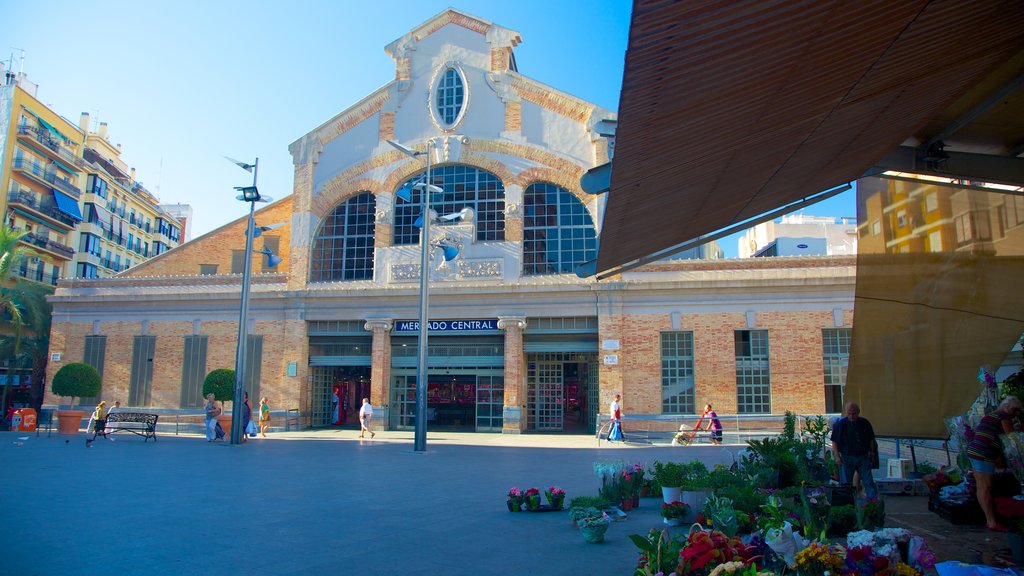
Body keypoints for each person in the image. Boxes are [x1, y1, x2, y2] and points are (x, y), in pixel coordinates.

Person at [967, 395, 1022, 532]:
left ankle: (989, 519)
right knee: (986, 487)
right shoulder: (1003, 416)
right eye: (1015, 410)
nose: (1016, 413)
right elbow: (1011, 439)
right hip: (984, 453)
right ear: (1006, 406)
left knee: (982, 487)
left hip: (974, 450)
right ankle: (991, 521)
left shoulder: (992, 415)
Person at [830, 401, 877, 499]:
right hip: (847, 457)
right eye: (849, 414)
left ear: (858, 412)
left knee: (868, 481)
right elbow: (834, 442)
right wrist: (837, 456)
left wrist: (872, 453)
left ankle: (873, 503)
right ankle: (847, 503)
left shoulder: (865, 423)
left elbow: (871, 439)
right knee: (846, 483)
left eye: (854, 413)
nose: (851, 416)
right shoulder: (840, 424)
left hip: (863, 456)